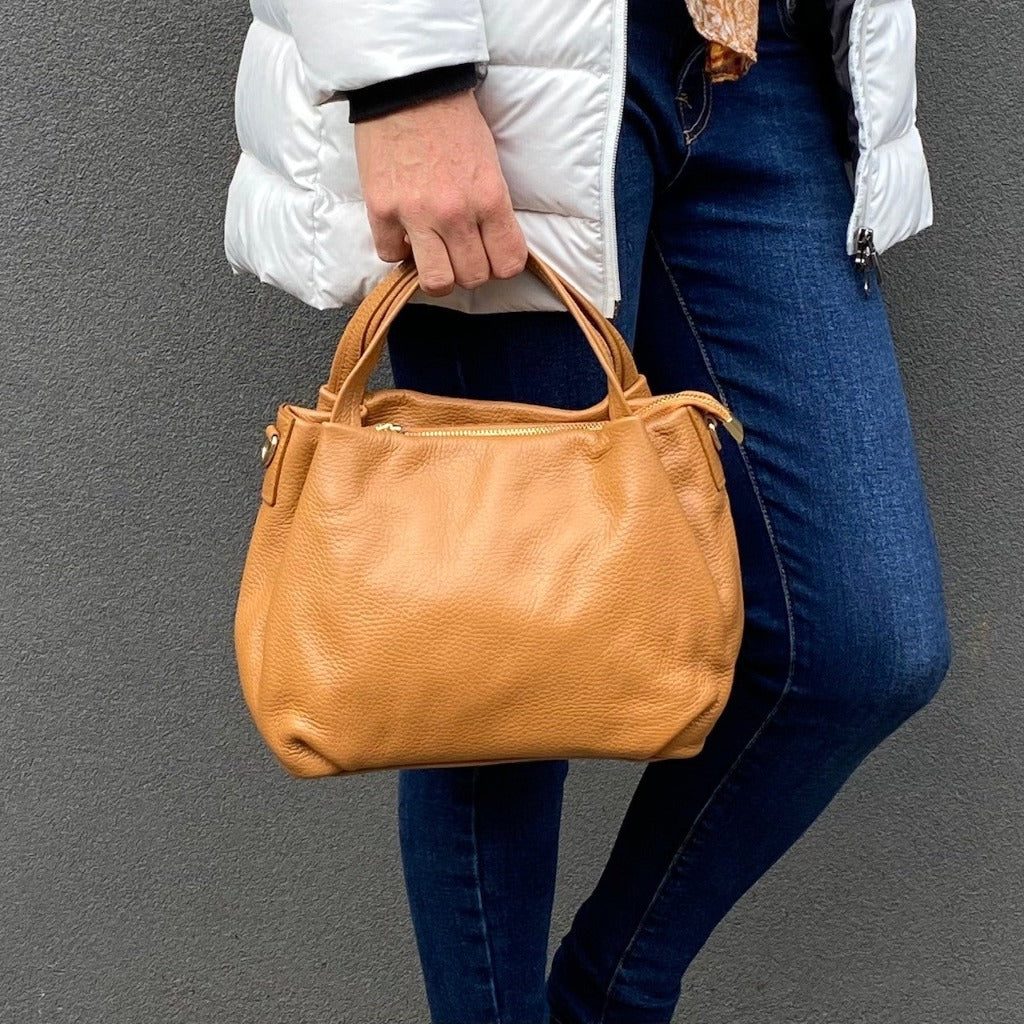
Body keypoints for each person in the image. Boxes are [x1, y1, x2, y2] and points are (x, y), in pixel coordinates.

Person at [225, 0, 953, 1020]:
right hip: (515, 58)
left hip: (763, 60)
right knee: (490, 682)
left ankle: (605, 1000)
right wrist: (403, 80)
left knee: (865, 645)